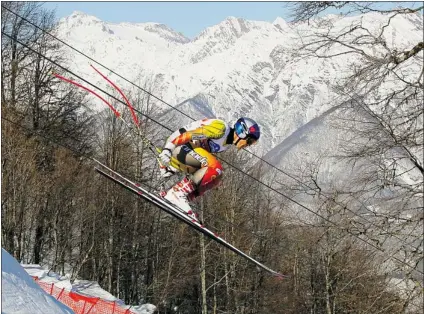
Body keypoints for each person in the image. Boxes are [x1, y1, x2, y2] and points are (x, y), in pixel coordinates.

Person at [158, 117, 260, 220]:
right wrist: (168, 149)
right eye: (249, 141)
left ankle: (185, 198)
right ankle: (177, 193)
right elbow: (188, 135)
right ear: (242, 132)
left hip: (185, 150)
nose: (248, 145)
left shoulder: (226, 144)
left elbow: (201, 159)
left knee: (217, 177)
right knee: (215, 167)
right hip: (178, 145)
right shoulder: (221, 129)